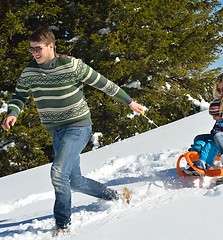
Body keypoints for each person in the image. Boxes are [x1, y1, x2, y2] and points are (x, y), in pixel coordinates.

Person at [1, 26, 144, 230]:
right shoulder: (29, 72)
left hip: (78, 126)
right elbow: (20, 96)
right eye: (31, 49)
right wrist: (13, 113)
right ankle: (117, 196)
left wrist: (129, 101)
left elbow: (103, 83)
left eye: (38, 48)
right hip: (57, 131)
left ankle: (62, 225)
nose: (34, 53)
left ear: (51, 46)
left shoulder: (71, 65)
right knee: (75, 181)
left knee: (58, 172)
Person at [183, 99, 223, 175]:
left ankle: (206, 164)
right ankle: (193, 163)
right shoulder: (219, 122)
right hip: (215, 140)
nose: (213, 118)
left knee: (210, 144)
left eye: (215, 116)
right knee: (199, 143)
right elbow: (214, 133)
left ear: (222, 113)